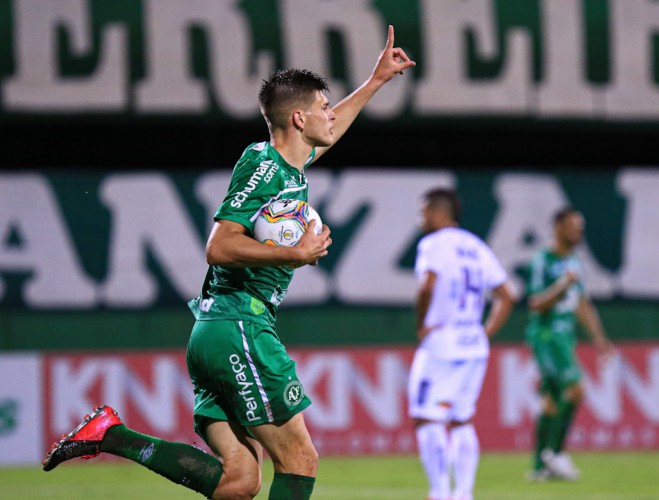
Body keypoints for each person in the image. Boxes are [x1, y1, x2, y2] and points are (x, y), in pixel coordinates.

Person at [42, 25, 416, 500]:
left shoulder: (287, 167)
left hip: (215, 331)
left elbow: (332, 129)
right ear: (299, 118)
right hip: (241, 325)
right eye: (323, 106)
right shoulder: (264, 169)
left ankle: (109, 435)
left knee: (238, 483)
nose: (330, 114)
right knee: (299, 460)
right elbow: (219, 247)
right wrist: (294, 253)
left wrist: (376, 81)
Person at [408, 188, 517, 500]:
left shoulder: (433, 244)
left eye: (423, 212)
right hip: (473, 344)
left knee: (426, 417)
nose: (420, 219)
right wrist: (484, 332)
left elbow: (427, 285)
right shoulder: (475, 245)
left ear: (438, 212)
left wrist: (422, 325)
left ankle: (440, 493)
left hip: (442, 343)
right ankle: (464, 493)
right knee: (461, 419)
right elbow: (507, 295)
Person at [525, 207, 614, 482]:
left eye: (580, 228)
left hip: (565, 338)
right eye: (573, 227)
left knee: (551, 402)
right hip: (546, 336)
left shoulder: (576, 263)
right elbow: (535, 303)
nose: (578, 232)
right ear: (558, 228)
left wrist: (600, 340)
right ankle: (557, 453)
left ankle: (540, 466)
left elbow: (583, 305)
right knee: (576, 389)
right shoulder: (543, 260)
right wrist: (561, 285)